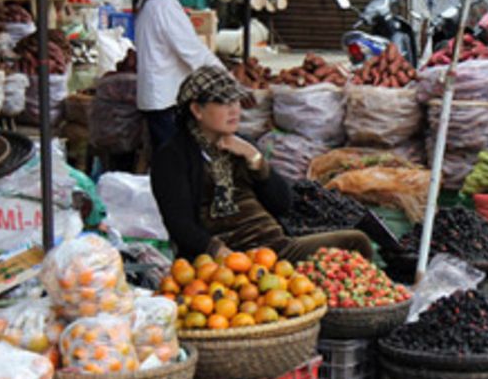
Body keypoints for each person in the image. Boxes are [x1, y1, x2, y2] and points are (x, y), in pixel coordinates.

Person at [150, 66, 375, 262]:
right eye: (222, 102)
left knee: (357, 242)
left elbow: (283, 203)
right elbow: (180, 225)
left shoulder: (242, 144)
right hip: (228, 259)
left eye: (235, 100)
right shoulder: (173, 156)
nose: (234, 109)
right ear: (197, 110)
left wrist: (256, 161)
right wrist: (220, 252)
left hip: (276, 248)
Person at [131, 0, 224, 152]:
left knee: (168, 156)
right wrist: (222, 76)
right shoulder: (164, 5)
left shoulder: (150, 4)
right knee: (173, 159)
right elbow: (190, 50)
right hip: (165, 97)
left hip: (158, 95)